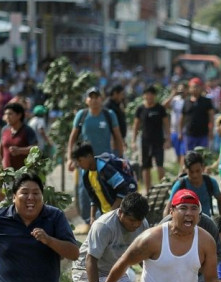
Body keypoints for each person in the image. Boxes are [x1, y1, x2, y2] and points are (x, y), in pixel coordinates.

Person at [67, 86, 125, 225]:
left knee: (107, 190)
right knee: (85, 191)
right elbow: (72, 138)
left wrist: (121, 158)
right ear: (86, 100)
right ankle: (88, 222)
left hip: (105, 162)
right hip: (85, 162)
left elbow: (117, 137)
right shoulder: (82, 115)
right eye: (90, 97)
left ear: (101, 99)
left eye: (96, 97)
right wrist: (70, 158)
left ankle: (111, 220)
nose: (94, 100)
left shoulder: (109, 114)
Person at [72, 143, 138, 225]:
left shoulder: (105, 169)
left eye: (80, 160)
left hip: (119, 214)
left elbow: (122, 189)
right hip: (104, 215)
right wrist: (92, 217)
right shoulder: (85, 174)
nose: (78, 164)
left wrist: (111, 213)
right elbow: (93, 197)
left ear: (89, 156)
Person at [164, 150, 221, 217]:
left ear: (202, 167)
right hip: (186, 223)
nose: (195, 175)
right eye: (191, 172)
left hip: (205, 223)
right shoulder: (180, 185)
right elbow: (168, 208)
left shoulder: (210, 182)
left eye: (198, 171)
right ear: (185, 169)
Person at [132, 86, 169, 190]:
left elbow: (166, 124)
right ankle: (148, 190)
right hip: (145, 141)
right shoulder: (140, 109)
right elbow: (136, 125)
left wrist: (168, 139)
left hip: (158, 141)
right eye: (147, 94)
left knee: (160, 165)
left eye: (151, 94)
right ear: (144, 95)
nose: (149, 96)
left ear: (154, 95)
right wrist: (133, 141)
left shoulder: (160, 108)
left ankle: (163, 187)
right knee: (146, 166)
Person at [0, 102, 38, 170]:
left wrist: (20, 150)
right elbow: (1, 147)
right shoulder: (5, 130)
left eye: (10, 114)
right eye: (5, 114)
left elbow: (35, 149)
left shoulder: (27, 130)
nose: (7, 117)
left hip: (23, 174)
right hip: (7, 174)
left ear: (19, 115)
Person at [180, 77, 215, 151]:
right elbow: (182, 117)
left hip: (203, 134)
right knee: (189, 156)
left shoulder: (206, 101)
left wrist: (211, 131)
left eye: (197, 87)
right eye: (193, 87)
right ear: (189, 88)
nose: (195, 89)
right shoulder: (186, 101)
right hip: (189, 134)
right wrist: (180, 132)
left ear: (201, 88)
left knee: (202, 155)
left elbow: (211, 117)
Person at [163, 82, 186, 167]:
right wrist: (172, 94)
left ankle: (183, 169)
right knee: (178, 153)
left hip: (185, 131)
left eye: (183, 89)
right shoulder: (175, 100)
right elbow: (164, 106)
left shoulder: (188, 101)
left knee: (184, 152)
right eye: (180, 89)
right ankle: (180, 169)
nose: (181, 91)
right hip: (174, 131)